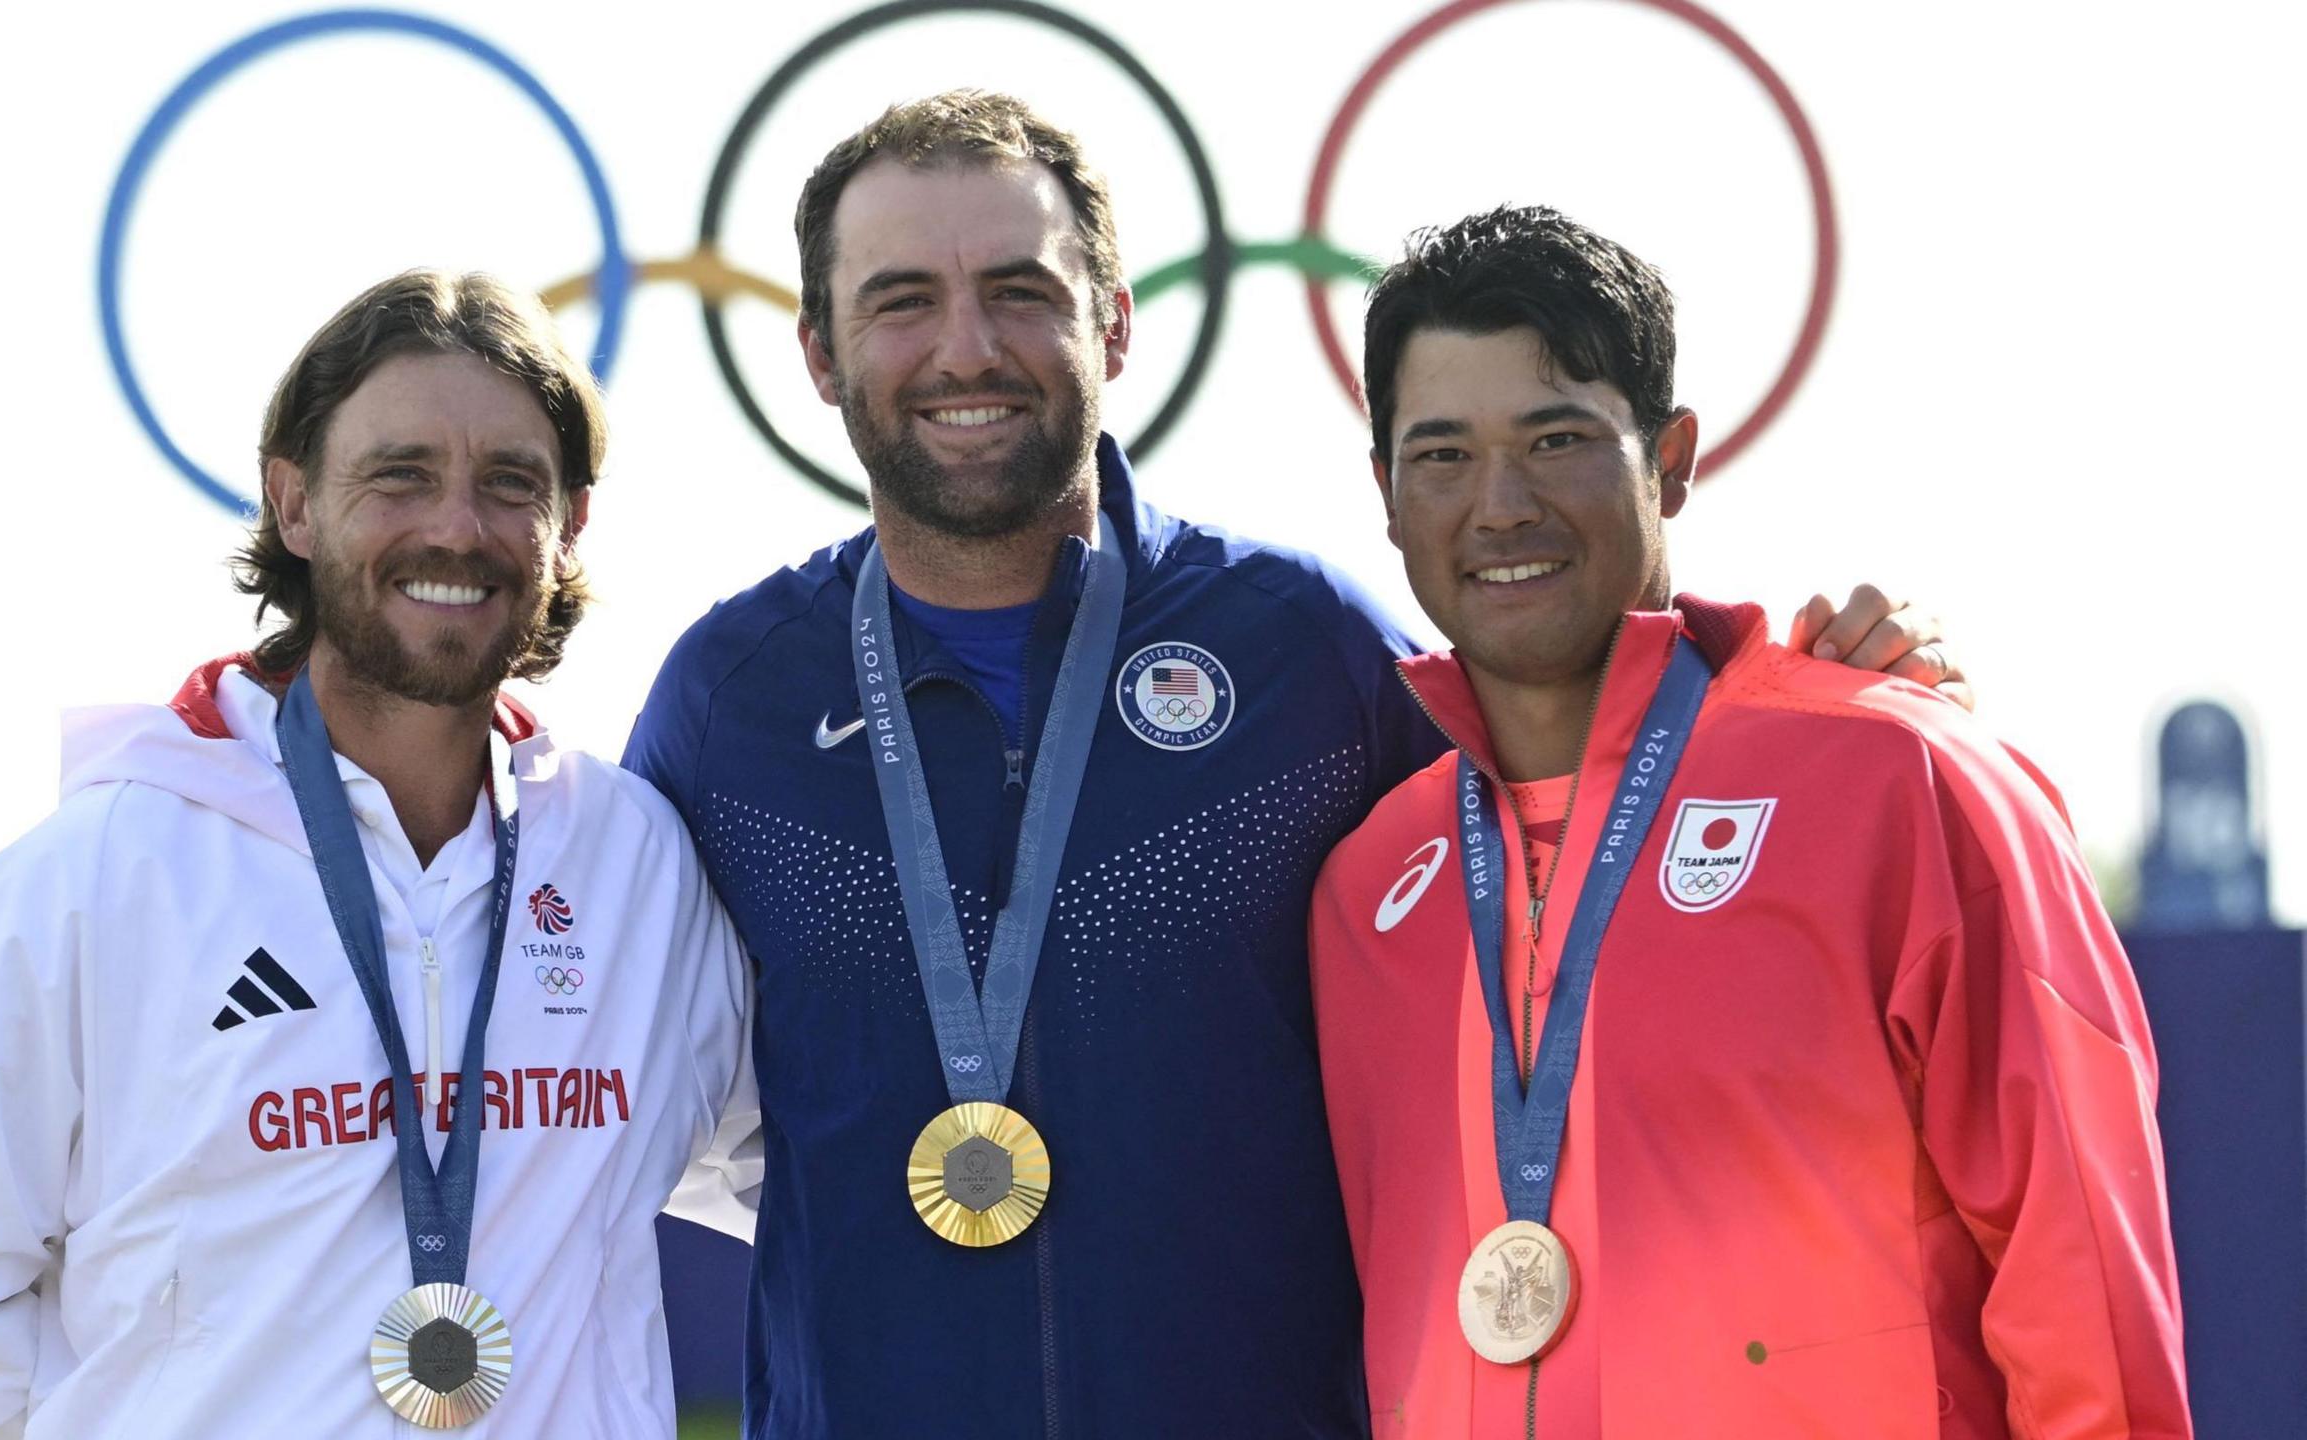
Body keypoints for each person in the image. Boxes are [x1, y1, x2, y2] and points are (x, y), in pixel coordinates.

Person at [626, 91, 1965, 1438]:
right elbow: (612, 1064)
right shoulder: (727, 701)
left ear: (1116, 323)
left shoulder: (1305, 651)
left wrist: (1810, 692)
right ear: (817, 350)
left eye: (1021, 291)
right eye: (903, 299)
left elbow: (1584, 821)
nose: (967, 349)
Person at [1308, 208, 2189, 1438]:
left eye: (1555, 438)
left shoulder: (1897, 776)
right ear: (1386, 494)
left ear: (1669, 459)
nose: (1498, 506)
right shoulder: (1366, 889)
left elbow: (2080, 1276)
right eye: (1442, 454)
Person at [0, 270, 759, 1439]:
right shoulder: (103, 869)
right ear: (295, 505)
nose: (456, 527)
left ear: (569, 521)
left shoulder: (636, 864)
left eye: (511, 482)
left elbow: (781, 1164)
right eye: (399, 474)